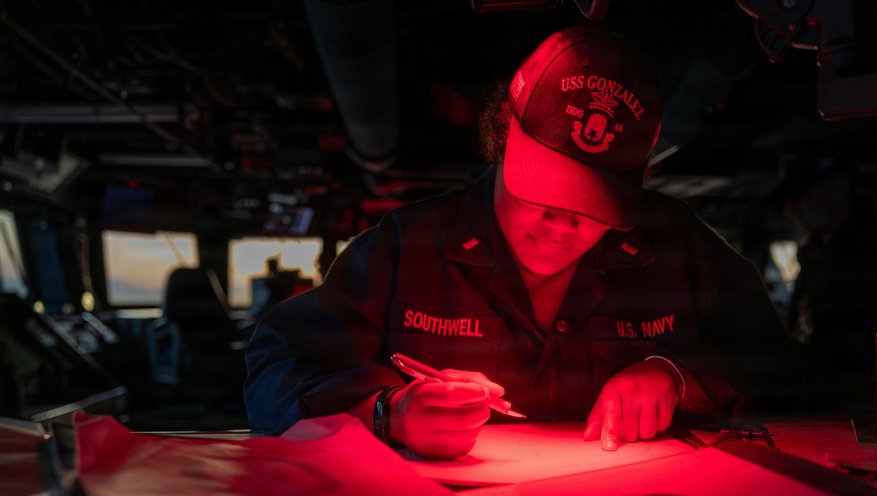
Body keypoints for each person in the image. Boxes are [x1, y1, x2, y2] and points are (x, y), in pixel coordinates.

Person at [244, 25, 797, 459]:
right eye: (544, 196)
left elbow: (788, 372)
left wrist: (677, 376)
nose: (561, 228)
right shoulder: (407, 249)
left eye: (590, 208)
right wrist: (388, 410)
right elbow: (275, 374)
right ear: (504, 138)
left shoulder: (677, 247)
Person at [777, 152, 877, 415]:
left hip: (860, 412)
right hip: (823, 405)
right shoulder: (819, 250)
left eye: (801, 194)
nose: (790, 209)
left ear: (839, 186)